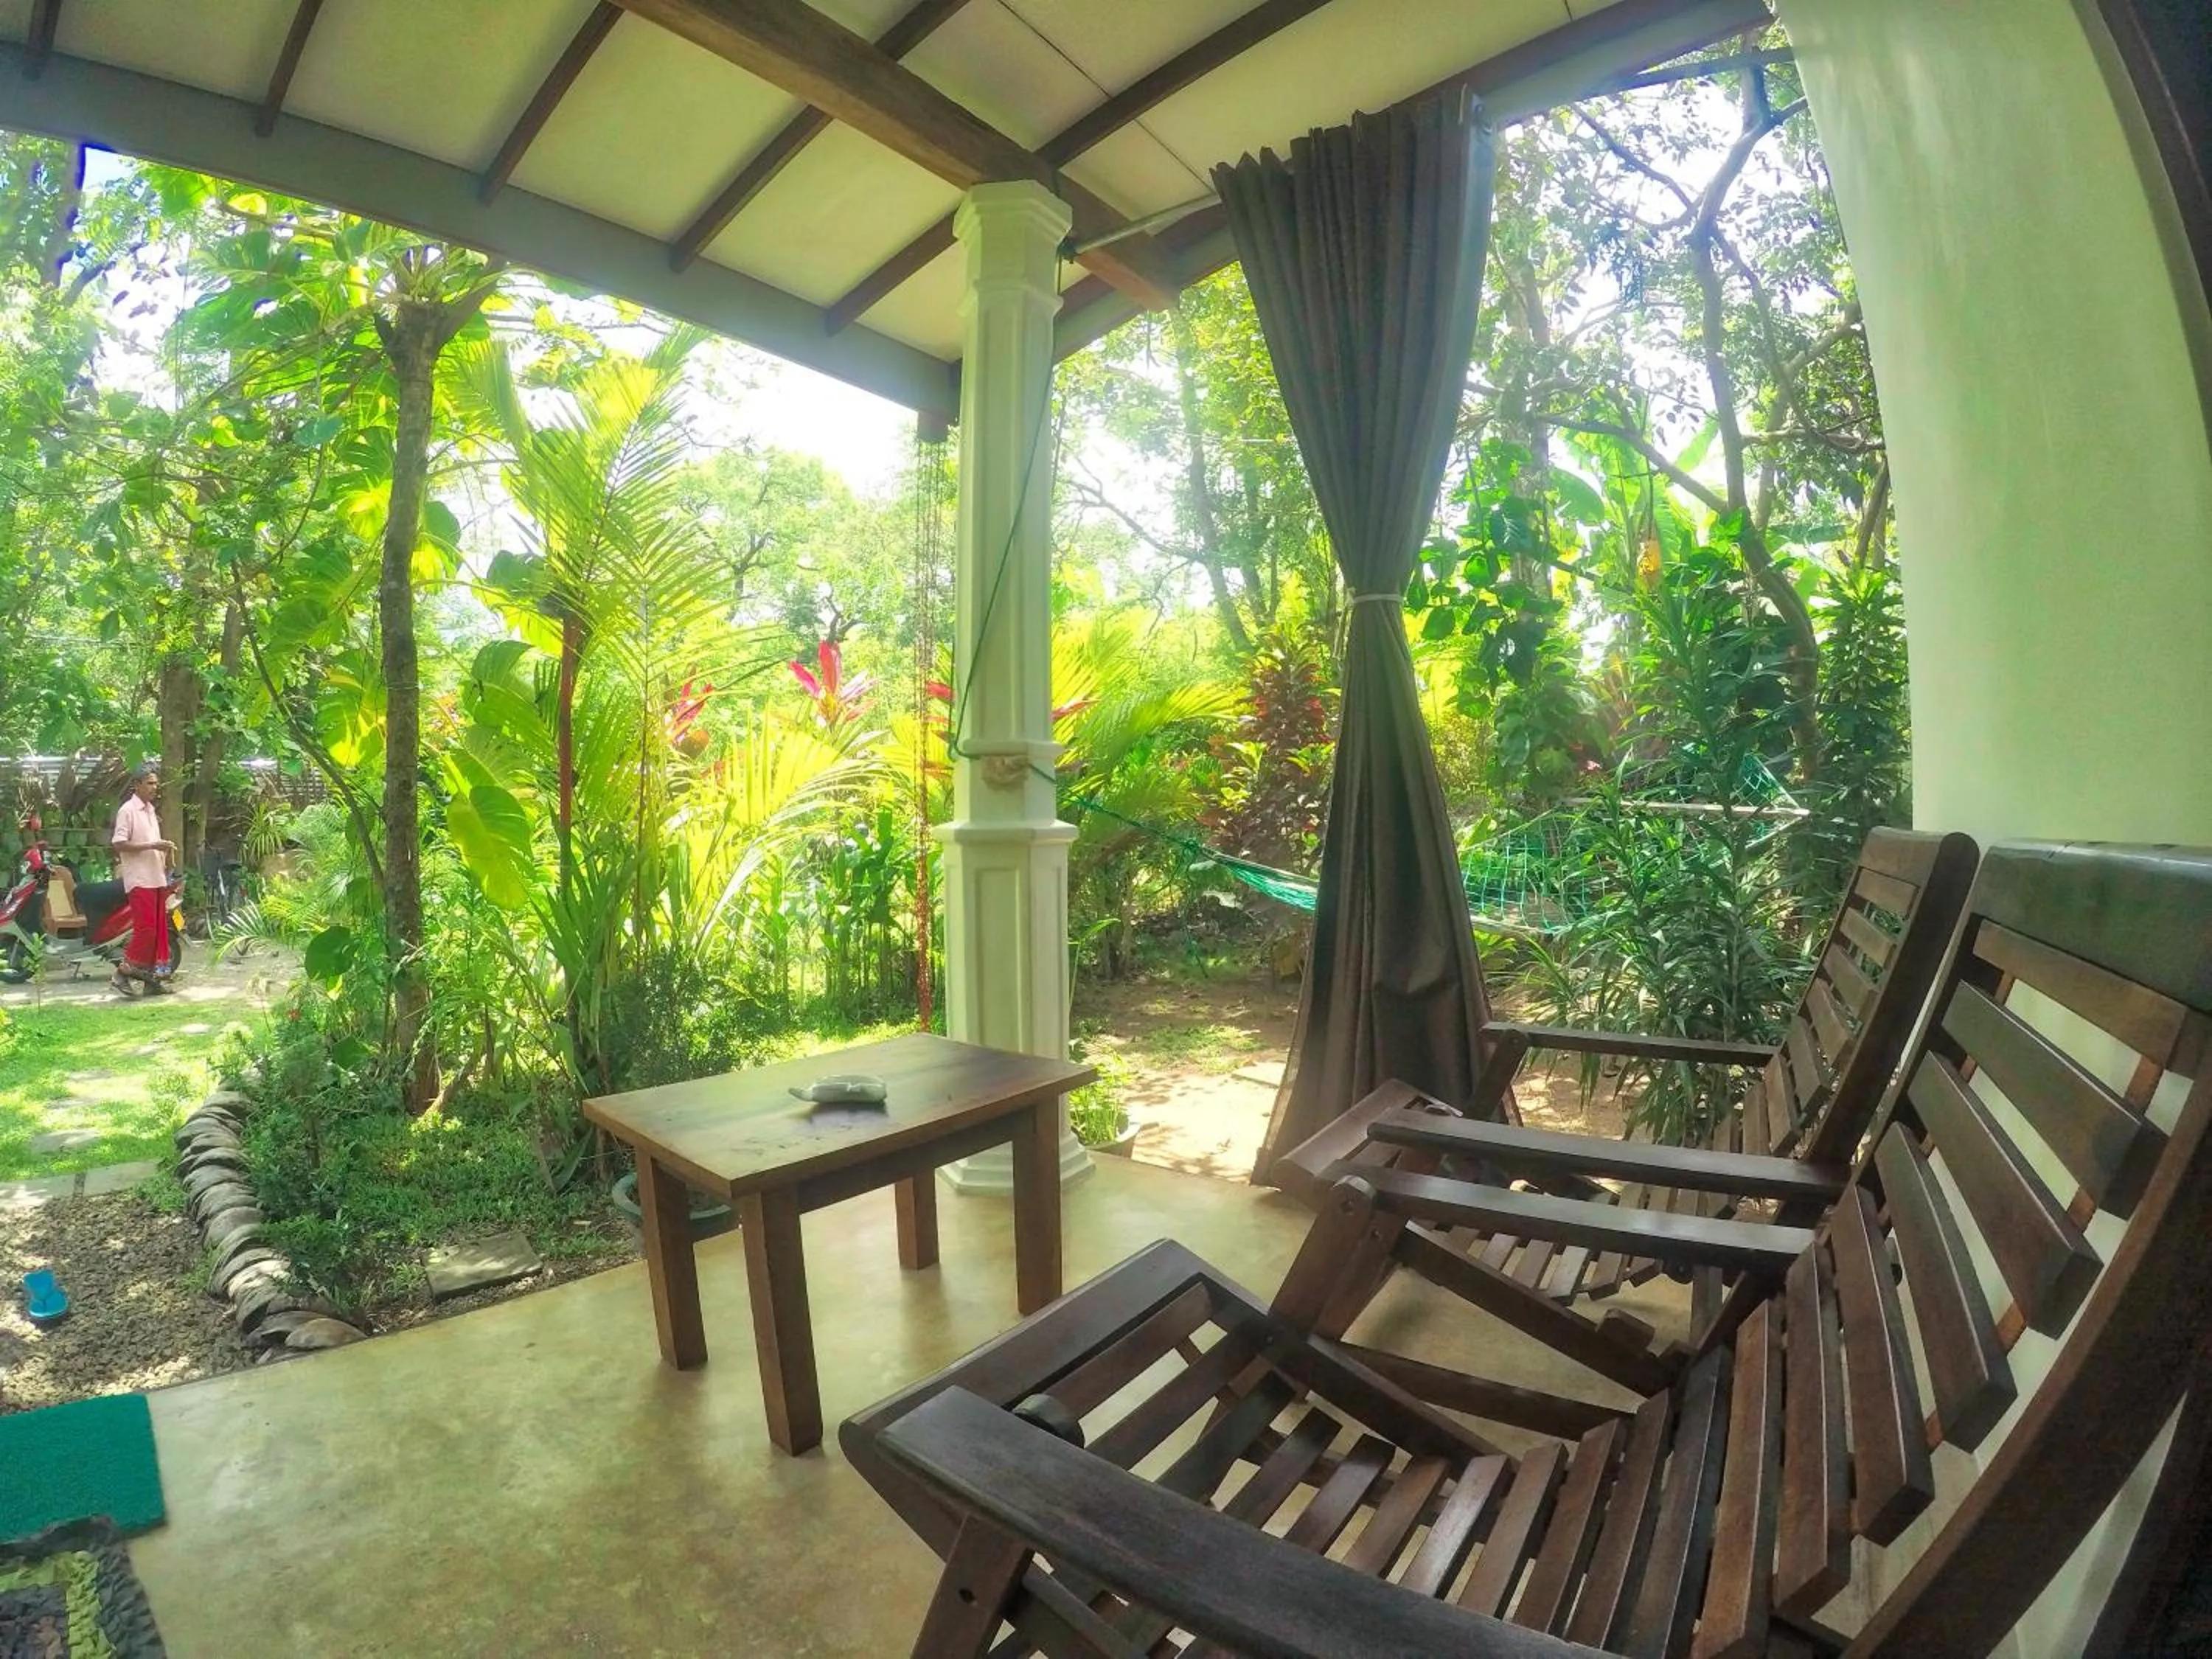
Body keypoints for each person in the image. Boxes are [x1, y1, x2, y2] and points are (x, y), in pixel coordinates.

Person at [110, 768, 175, 995]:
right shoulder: (127, 811)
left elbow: (152, 842)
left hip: (156, 877)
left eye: (156, 783)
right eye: (149, 783)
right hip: (139, 879)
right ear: (136, 785)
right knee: (146, 929)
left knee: (158, 931)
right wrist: (152, 846)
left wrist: (163, 850)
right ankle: (122, 971)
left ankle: (151, 981)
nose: (154, 787)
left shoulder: (150, 810)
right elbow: (119, 844)